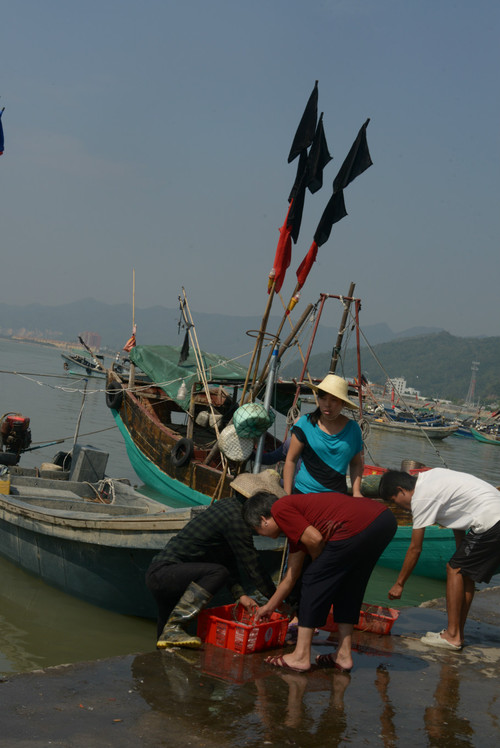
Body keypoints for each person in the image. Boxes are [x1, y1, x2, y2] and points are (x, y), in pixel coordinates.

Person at [242, 490, 397, 672]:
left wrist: (319, 574)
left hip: (358, 524)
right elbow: (290, 577)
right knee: (350, 586)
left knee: (312, 578)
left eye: (257, 530)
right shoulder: (295, 528)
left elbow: (315, 540)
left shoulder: (280, 508)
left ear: (263, 519)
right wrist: (269, 607)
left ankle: (300, 656)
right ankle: (344, 655)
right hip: (384, 520)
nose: (261, 535)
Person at [145, 470, 284, 649]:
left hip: (170, 576)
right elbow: (253, 566)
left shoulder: (227, 505)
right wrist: (277, 601)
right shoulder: (237, 518)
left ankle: (169, 640)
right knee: (218, 573)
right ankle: (176, 626)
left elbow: (226, 557)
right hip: (166, 573)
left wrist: (240, 594)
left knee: (166, 643)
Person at [379, 468, 500, 650]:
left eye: (395, 502)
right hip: (493, 515)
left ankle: (451, 636)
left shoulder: (420, 498)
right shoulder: (431, 478)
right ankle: (457, 632)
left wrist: (399, 583)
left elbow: (415, 548)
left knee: (454, 569)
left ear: (401, 490)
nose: (399, 507)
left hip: (490, 520)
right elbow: (458, 520)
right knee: (463, 573)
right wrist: (460, 555)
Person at [283, 374, 364, 497]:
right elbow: (291, 460)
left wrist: (356, 491)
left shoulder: (353, 429)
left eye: (333, 400)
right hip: (303, 493)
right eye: (323, 398)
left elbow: (356, 463)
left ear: (343, 404)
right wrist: (286, 495)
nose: (327, 404)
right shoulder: (305, 423)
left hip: (336, 497)